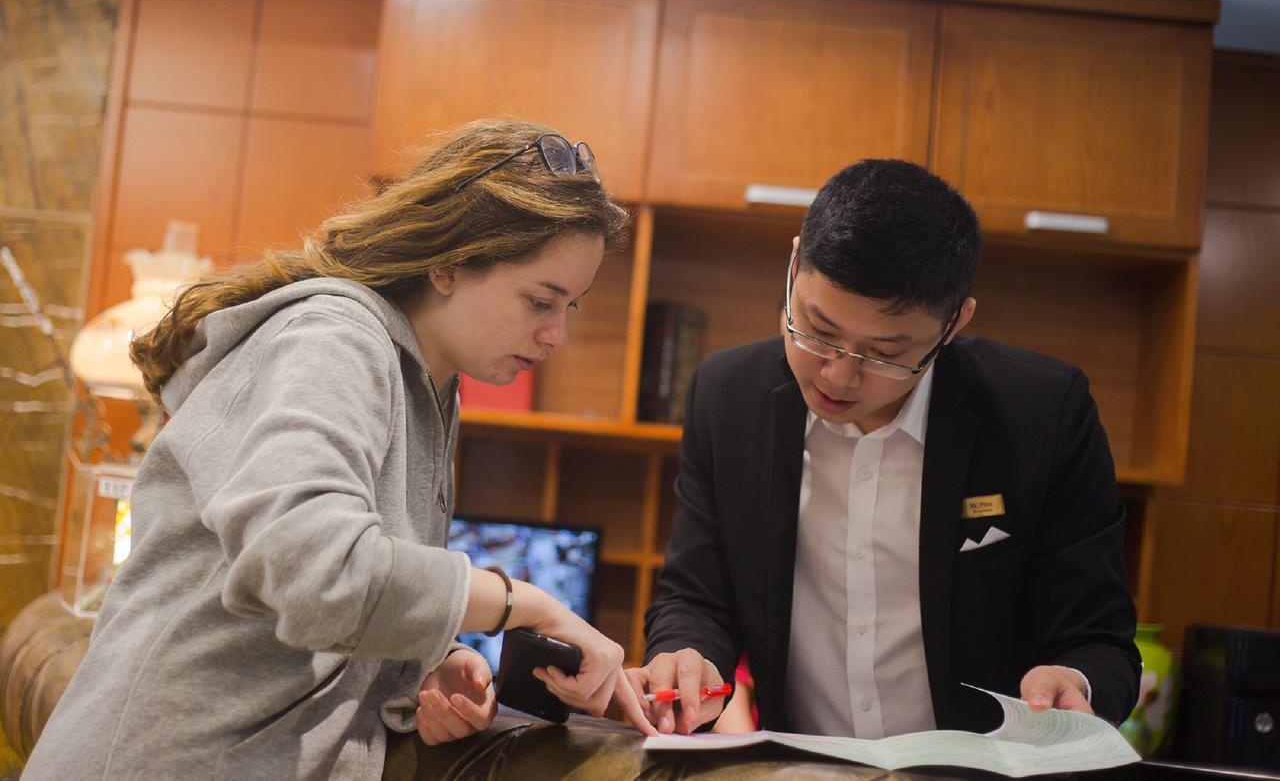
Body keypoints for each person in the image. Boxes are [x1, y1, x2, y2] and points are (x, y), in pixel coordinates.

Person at [24, 119, 656, 780]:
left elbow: (306, 614)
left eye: (571, 308)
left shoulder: (430, 383)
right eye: (539, 301)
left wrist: (419, 665)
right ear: (447, 262)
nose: (556, 334)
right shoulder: (332, 339)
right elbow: (310, 569)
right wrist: (519, 602)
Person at [628, 159, 1140, 738]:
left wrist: (1075, 678)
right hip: (802, 772)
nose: (838, 377)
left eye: (887, 354)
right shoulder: (727, 398)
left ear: (953, 323)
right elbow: (696, 596)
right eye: (817, 331)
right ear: (795, 265)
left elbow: (1100, 638)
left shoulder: (1042, 415)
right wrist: (686, 654)